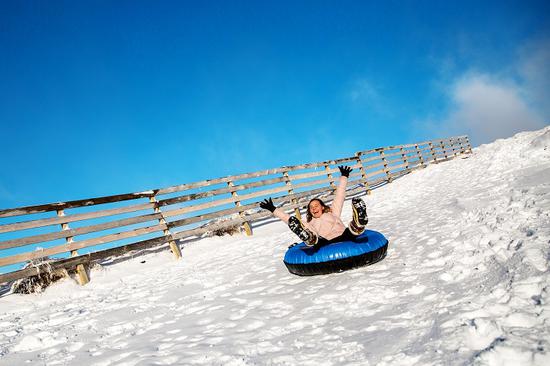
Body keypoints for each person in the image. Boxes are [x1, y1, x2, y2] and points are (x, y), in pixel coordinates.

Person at [259, 165, 369, 248]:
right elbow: (289, 220)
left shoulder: (333, 212)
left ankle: (358, 222)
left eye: (316, 205)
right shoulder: (309, 223)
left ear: (322, 207)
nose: (313, 208)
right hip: (325, 242)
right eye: (311, 207)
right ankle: (308, 237)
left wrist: (344, 176)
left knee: (350, 232)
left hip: (344, 237)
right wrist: (273, 209)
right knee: (316, 239)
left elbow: (339, 196)